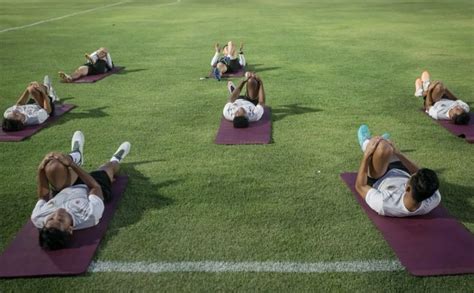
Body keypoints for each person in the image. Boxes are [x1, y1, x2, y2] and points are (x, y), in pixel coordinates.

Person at [31, 130, 131, 250]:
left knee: (53, 165)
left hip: (65, 188)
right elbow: (95, 187)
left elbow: (43, 197)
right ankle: (116, 158)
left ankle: (76, 154)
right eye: (61, 219)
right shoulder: (90, 215)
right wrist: (71, 164)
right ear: (70, 229)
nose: (57, 213)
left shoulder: (38, 217)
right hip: (91, 188)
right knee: (109, 167)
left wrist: (40, 168)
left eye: (51, 218)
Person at [355, 124, 441, 217]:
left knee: (384, 148)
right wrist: (398, 153)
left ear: (407, 188)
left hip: (380, 178)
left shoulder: (384, 203)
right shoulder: (434, 197)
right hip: (401, 170)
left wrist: (367, 154)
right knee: (388, 148)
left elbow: (360, 186)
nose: (413, 173)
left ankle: (366, 143)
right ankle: (381, 145)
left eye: (412, 176)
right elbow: (417, 172)